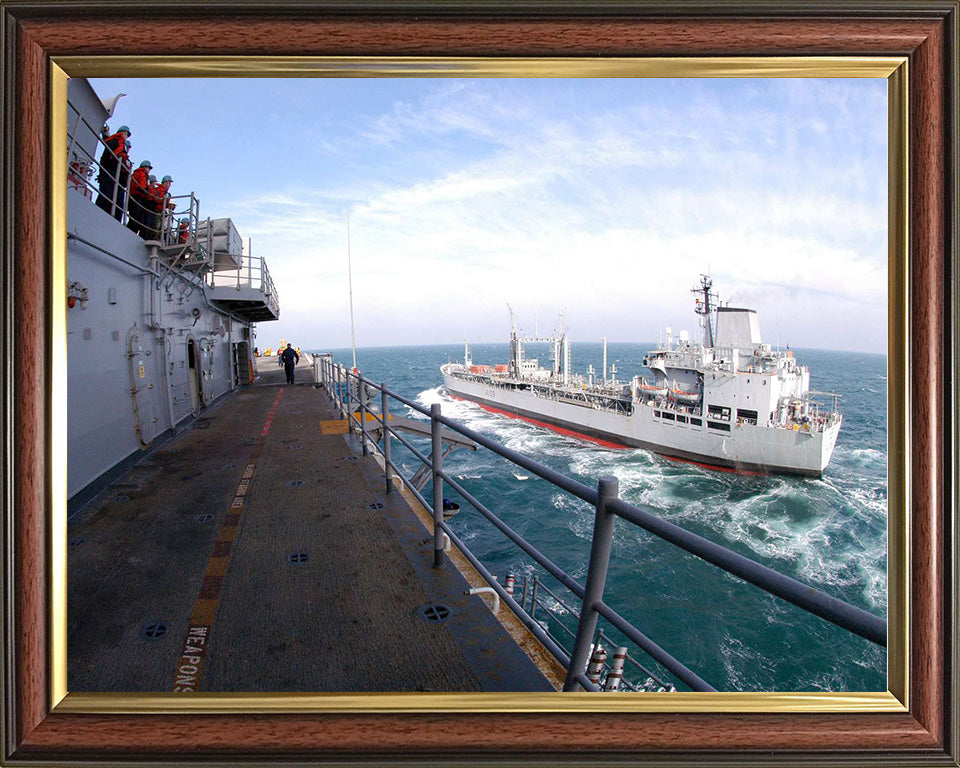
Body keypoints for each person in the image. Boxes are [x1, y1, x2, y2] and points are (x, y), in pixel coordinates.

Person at [95, 124, 130, 219]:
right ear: (123, 133)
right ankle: (99, 216)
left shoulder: (118, 143)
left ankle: (113, 219)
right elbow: (108, 156)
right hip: (110, 172)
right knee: (107, 197)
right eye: (126, 134)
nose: (126, 136)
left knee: (117, 204)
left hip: (117, 178)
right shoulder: (115, 142)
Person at [126, 160, 153, 237]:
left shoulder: (143, 175)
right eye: (148, 168)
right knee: (135, 217)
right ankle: (130, 232)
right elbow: (139, 186)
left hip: (139, 197)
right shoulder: (139, 174)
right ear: (144, 167)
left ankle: (133, 232)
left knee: (138, 218)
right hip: (136, 196)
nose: (149, 170)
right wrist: (145, 191)